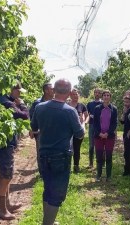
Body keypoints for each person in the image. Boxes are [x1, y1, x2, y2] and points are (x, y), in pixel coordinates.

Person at [30, 79, 84, 225]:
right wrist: (83, 123)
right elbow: (79, 134)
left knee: (48, 189)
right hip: (61, 157)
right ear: (69, 92)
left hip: (43, 154)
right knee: (57, 194)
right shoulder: (70, 111)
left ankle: (48, 221)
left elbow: (34, 126)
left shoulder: (39, 107)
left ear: (53, 90)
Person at [0, 82, 29, 220]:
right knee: (6, 176)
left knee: (7, 175)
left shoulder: (5, 100)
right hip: (4, 144)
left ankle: (7, 204)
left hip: (5, 142)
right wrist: (22, 104)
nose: (20, 94)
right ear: (11, 89)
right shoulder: (7, 103)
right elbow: (25, 115)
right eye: (18, 91)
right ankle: (1, 210)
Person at [29, 83, 54, 175]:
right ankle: (42, 173)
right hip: (40, 131)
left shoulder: (55, 102)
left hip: (52, 131)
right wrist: (32, 129)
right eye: (52, 89)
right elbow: (31, 117)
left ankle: (50, 171)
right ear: (46, 91)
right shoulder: (37, 103)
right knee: (41, 152)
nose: (54, 90)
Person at [93, 90, 118, 181]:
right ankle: (98, 175)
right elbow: (95, 123)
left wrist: (108, 133)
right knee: (99, 156)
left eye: (108, 95)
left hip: (109, 136)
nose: (106, 97)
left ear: (110, 97)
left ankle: (108, 176)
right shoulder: (97, 108)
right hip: (98, 136)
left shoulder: (114, 109)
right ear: (102, 97)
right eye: (104, 95)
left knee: (109, 156)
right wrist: (99, 133)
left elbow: (114, 123)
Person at [68, 88, 89, 173]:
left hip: (78, 130)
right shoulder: (67, 105)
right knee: (68, 148)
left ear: (79, 95)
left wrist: (85, 122)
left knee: (77, 148)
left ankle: (76, 166)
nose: (75, 96)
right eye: (73, 94)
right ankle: (67, 167)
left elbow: (87, 116)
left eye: (77, 94)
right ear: (70, 95)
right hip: (68, 130)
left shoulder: (82, 105)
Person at [86, 88, 102, 168]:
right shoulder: (90, 104)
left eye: (99, 93)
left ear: (100, 94)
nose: (97, 94)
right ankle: (91, 163)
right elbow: (86, 115)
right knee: (91, 145)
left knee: (100, 145)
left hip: (101, 126)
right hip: (92, 125)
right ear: (94, 93)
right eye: (96, 92)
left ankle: (100, 163)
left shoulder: (103, 104)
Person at [119, 94, 130, 176]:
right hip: (125, 133)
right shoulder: (126, 110)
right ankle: (127, 170)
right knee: (126, 152)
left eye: (127, 102)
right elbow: (122, 121)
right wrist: (124, 113)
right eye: (124, 102)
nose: (125, 103)